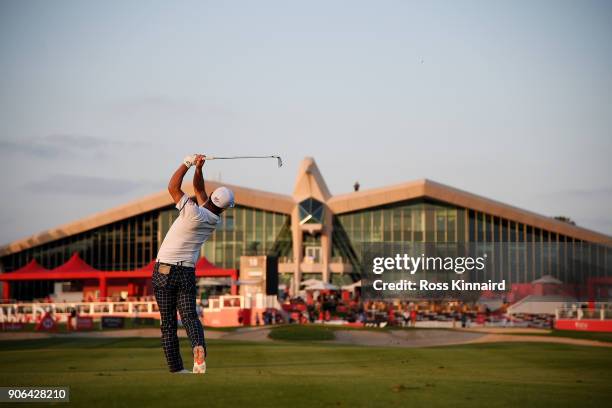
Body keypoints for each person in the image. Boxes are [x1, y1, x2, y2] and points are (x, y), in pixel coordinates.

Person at [153, 154, 234, 374]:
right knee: (189, 316)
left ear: (212, 199)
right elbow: (199, 190)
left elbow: (172, 186)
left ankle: (176, 368)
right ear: (225, 208)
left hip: (164, 271)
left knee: (168, 323)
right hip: (187, 271)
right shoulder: (212, 219)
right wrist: (199, 169)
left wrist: (187, 163)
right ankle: (198, 347)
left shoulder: (191, 211)